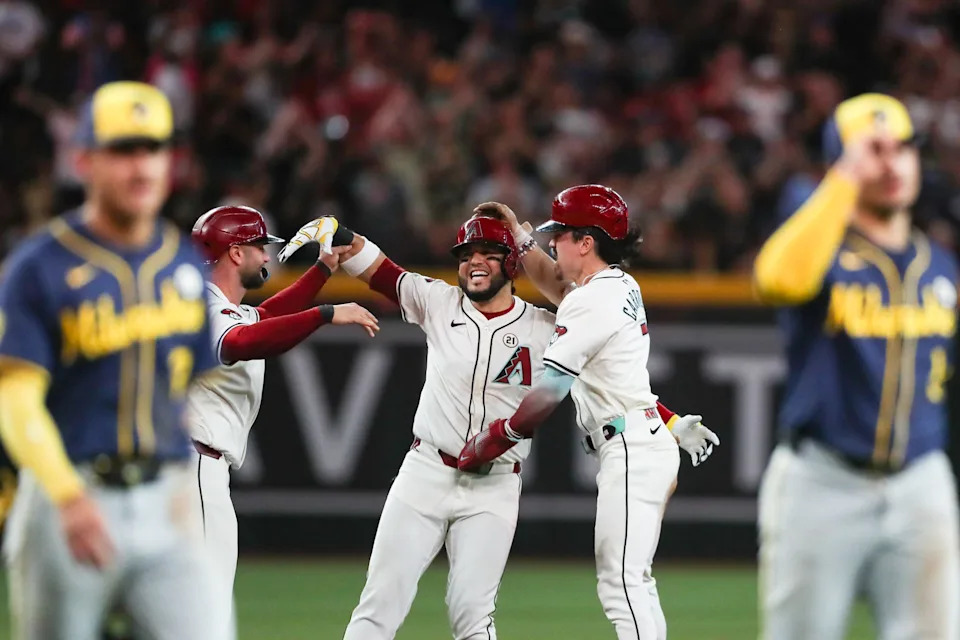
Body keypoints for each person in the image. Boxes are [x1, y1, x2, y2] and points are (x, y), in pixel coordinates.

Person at [278, 207, 714, 640]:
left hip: (495, 485)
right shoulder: (438, 300)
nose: (474, 262)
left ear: (510, 263)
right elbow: (380, 271)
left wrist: (668, 421)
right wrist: (341, 232)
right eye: (466, 254)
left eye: (487, 252)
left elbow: (612, 387)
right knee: (378, 606)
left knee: (472, 617)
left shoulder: (547, 326)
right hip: (426, 472)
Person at [0, 81, 229, 639]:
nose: (141, 166)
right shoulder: (40, 266)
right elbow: (13, 398)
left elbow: (176, 394)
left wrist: (178, 483)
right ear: (83, 161)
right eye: (123, 150)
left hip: (163, 503)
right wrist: (65, 496)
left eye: (152, 149)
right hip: (69, 498)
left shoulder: (180, 260)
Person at [457, 185, 719, 639]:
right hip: (642, 437)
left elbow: (553, 386)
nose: (552, 243)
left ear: (586, 242)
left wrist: (497, 438)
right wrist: (521, 237)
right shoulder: (616, 286)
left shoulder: (592, 299)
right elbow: (562, 290)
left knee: (621, 583)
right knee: (634, 581)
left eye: (560, 235)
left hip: (632, 448)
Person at [753, 93, 960, 639]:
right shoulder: (819, 253)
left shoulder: (939, 263)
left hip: (922, 479)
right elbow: (777, 279)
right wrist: (844, 180)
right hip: (822, 480)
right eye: (872, 150)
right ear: (840, 165)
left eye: (902, 148)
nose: (891, 163)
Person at [186, 206, 379, 628]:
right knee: (207, 610)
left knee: (188, 607)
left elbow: (265, 317)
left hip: (193, 467)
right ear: (236, 254)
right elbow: (243, 341)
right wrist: (324, 314)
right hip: (194, 466)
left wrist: (325, 268)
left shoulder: (213, 302)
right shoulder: (201, 304)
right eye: (259, 247)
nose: (267, 256)